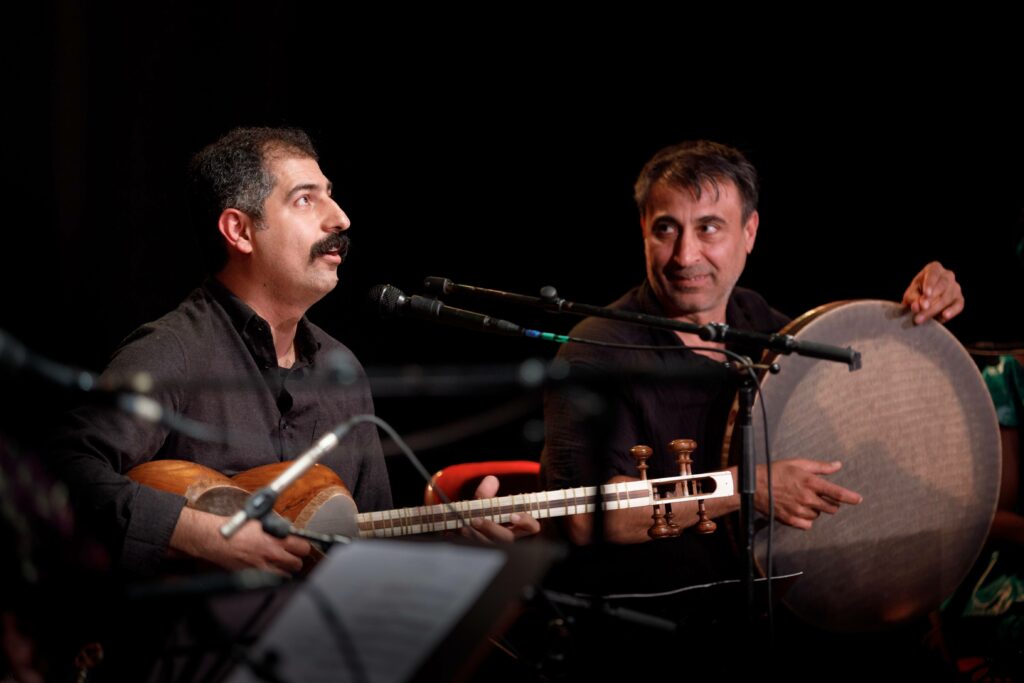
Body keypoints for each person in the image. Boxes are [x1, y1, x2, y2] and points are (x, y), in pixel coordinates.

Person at [52, 127, 537, 580]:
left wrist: (456, 543)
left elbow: (366, 547)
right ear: (239, 231)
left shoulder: (341, 371)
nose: (340, 218)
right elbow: (63, 472)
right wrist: (197, 534)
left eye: (330, 194)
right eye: (306, 199)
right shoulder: (172, 352)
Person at [540, 140, 964, 593]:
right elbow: (584, 517)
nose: (685, 256)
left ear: (749, 232)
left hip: (772, 616)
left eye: (708, 228)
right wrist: (746, 488)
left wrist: (916, 323)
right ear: (643, 228)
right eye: (666, 229)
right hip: (654, 627)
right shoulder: (595, 349)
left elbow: (862, 404)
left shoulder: (760, 323)